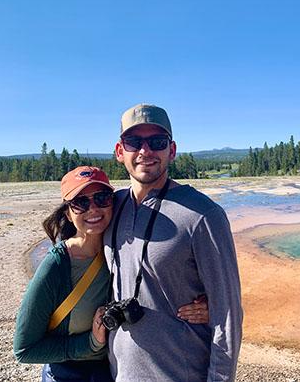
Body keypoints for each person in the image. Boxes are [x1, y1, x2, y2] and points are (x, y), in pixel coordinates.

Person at [13, 166, 209, 382]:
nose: (93, 209)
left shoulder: (121, 246)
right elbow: (24, 349)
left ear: (113, 203)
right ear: (68, 213)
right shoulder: (57, 266)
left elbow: (158, 281)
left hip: (114, 370)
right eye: (81, 202)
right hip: (70, 375)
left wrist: (203, 305)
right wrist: (89, 343)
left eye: (102, 197)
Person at [104, 104, 243, 381]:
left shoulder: (203, 215)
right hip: (120, 374)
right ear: (120, 152)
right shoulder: (109, 207)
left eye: (157, 142)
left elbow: (227, 315)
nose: (145, 151)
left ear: (172, 150)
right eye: (134, 142)